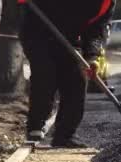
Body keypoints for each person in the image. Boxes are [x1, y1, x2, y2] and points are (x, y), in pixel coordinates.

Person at [18, 0, 115, 148]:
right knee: (45, 75)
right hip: (38, 32)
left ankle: (64, 136)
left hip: (70, 38)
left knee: (77, 81)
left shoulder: (106, 3)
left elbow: (96, 30)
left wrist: (91, 57)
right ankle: (35, 127)